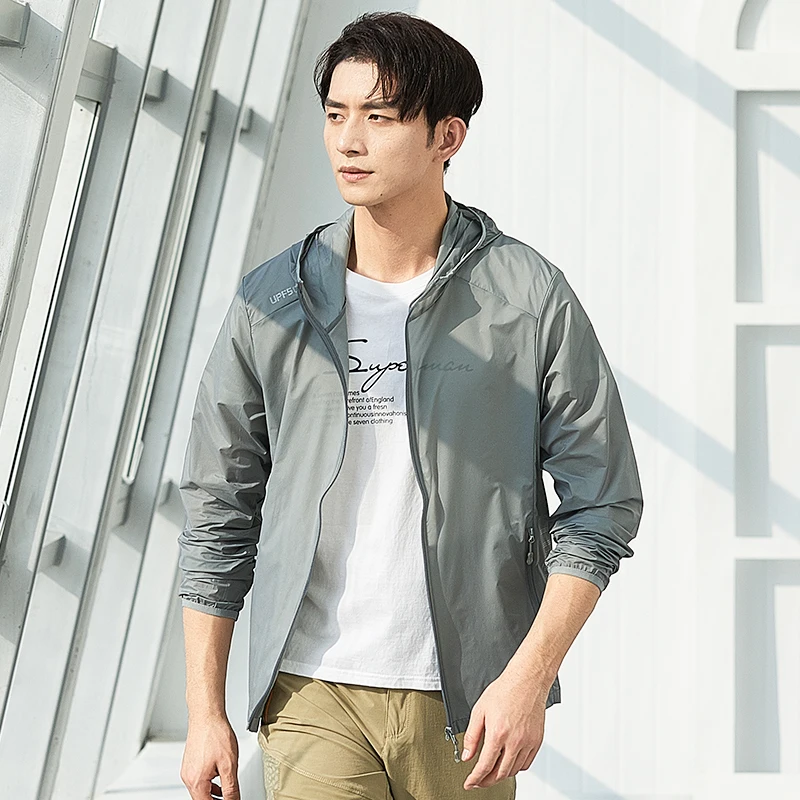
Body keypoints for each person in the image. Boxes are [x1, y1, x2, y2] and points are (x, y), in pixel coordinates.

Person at [177, 10, 643, 800]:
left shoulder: (528, 300)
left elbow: (603, 500)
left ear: (446, 137)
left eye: (380, 117)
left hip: (467, 702)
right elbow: (218, 506)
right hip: (309, 689)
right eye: (335, 114)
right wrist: (205, 712)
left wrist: (529, 676)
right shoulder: (274, 301)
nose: (348, 141)